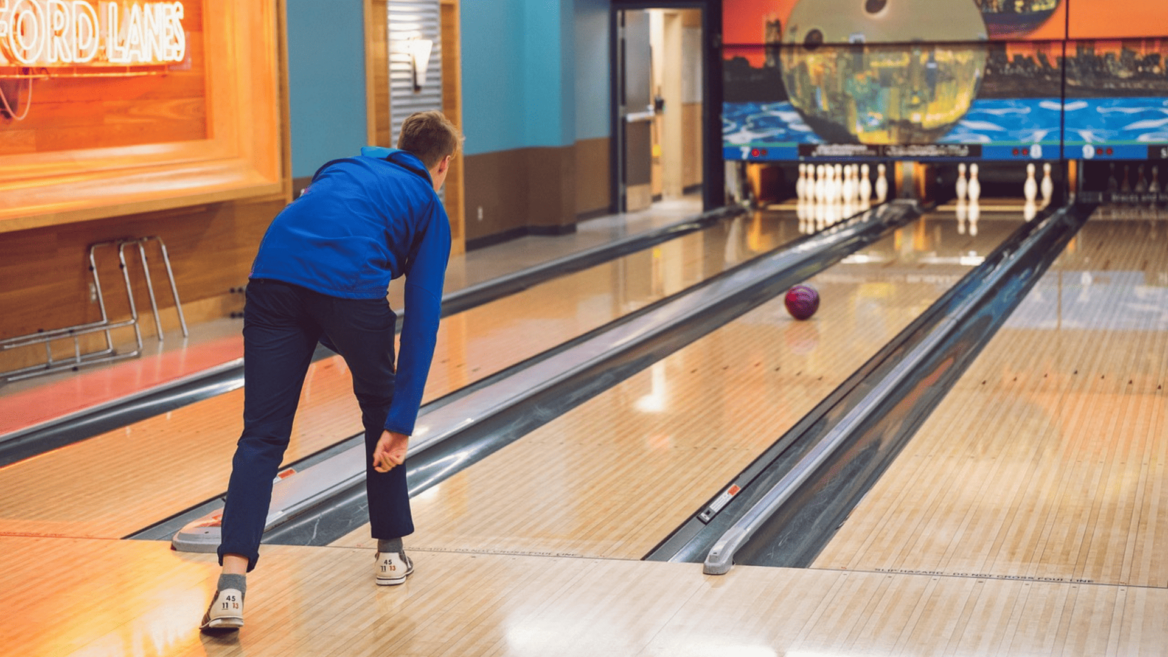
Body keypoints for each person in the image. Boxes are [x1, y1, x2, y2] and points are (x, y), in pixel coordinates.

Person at [200, 111, 462, 631]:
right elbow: (423, 320)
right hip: (349, 292)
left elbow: (307, 229)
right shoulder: (430, 205)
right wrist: (401, 420)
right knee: (378, 411)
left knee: (262, 435)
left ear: (399, 147)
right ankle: (390, 552)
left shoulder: (340, 167)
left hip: (271, 281)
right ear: (444, 166)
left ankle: (230, 587)